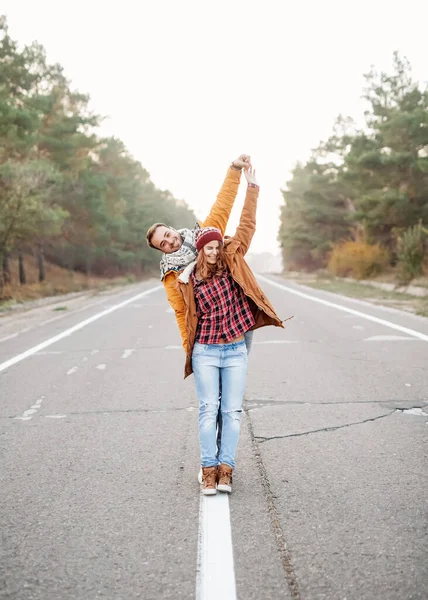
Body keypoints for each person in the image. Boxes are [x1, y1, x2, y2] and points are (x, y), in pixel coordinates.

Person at [176, 165, 292, 495]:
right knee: (208, 410)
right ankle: (208, 471)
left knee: (232, 411)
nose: (213, 251)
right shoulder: (189, 279)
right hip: (206, 352)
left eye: (216, 246)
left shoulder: (233, 259)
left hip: (236, 349)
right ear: (200, 251)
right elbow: (184, 317)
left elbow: (246, 225)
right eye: (207, 248)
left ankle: (227, 470)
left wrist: (252, 187)